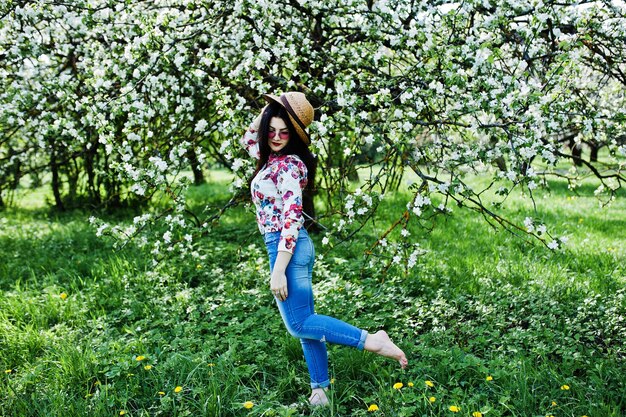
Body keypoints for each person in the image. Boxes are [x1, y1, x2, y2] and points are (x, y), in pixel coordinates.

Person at [239, 91, 408, 407]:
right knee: (307, 323)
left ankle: (373, 341)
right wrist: (275, 108)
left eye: (284, 131)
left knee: (300, 324)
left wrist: (278, 270)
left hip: (286, 247)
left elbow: (291, 219)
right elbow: (249, 138)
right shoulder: (270, 159)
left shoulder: (287, 166)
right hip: (287, 247)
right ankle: (320, 391)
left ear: (294, 136)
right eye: (271, 130)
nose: (275, 137)